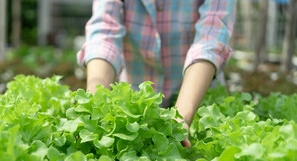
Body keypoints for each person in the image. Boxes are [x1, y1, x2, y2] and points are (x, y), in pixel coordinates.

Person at [77, 0, 236, 147]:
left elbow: (210, 38)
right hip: (134, 104)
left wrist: (180, 118)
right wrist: (94, 106)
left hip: (200, 99)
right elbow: (104, 33)